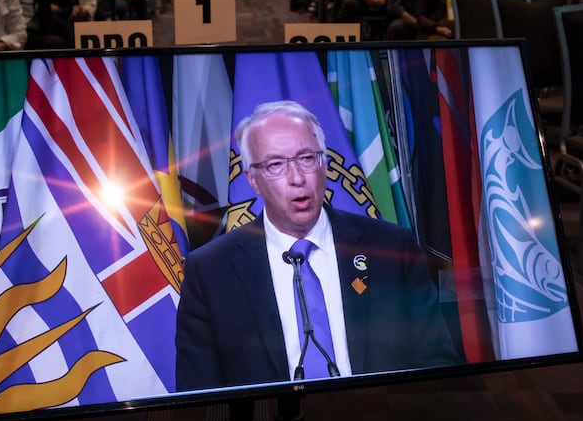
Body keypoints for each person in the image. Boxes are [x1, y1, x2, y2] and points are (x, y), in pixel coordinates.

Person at [174, 101, 464, 392]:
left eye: (306, 159)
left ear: (324, 163)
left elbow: (437, 365)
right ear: (253, 179)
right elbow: (200, 398)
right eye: (276, 165)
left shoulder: (391, 249)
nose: (297, 178)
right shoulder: (211, 271)